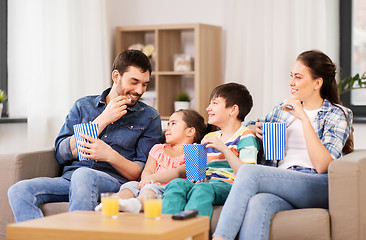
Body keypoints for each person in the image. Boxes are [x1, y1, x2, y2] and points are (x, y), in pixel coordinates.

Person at [212, 50, 354, 240]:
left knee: (248, 172)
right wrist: (253, 128)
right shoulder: (283, 110)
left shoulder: (337, 114)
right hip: (281, 182)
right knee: (257, 203)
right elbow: (245, 125)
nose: (291, 82)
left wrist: (303, 118)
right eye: (291, 76)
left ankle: (220, 238)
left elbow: (323, 165)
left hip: (316, 184)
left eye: (298, 77)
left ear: (317, 83)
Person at [8, 50, 163, 222]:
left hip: (113, 182)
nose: (139, 90)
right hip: (70, 178)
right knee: (19, 190)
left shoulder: (149, 117)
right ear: (116, 76)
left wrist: (110, 155)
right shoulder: (83, 106)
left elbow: (139, 172)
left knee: (84, 175)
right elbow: (61, 153)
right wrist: (102, 120)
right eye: (134, 82)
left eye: (144, 84)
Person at [162, 82, 260, 218]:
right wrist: (195, 175)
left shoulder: (246, 136)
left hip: (228, 186)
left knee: (202, 189)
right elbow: (197, 170)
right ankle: (166, 230)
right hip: (207, 183)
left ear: (233, 110)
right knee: (176, 184)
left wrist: (223, 148)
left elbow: (248, 174)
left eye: (214, 103)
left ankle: (194, 233)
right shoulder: (210, 137)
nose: (208, 108)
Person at [95, 109, 207, 213]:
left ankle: (137, 204)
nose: (167, 128)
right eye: (168, 124)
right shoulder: (158, 148)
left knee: (150, 189)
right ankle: (114, 202)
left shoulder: (195, 151)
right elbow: (148, 169)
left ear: (190, 131)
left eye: (173, 123)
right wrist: (146, 180)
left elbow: (178, 172)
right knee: (131, 185)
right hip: (150, 183)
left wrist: (152, 179)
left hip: (166, 189)